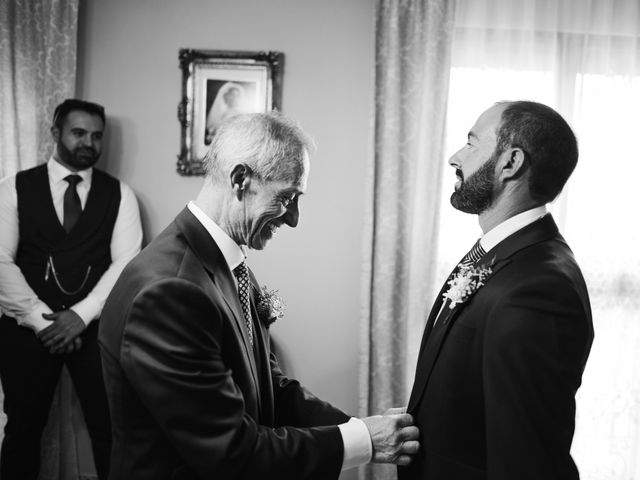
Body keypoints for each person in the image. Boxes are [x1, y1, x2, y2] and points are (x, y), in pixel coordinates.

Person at [99, 111, 419, 480]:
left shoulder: (228, 265)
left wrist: (363, 428)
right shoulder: (170, 292)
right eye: (287, 196)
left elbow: (271, 386)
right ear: (240, 180)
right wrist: (364, 442)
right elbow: (231, 452)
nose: (294, 218)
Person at [399, 101, 594, 480]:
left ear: (511, 162)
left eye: (471, 144)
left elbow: (527, 460)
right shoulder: (501, 253)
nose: (456, 157)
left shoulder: (539, 289)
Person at [0, 99, 143, 480]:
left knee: (110, 429)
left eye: (97, 136)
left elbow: (127, 264)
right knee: (22, 431)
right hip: (26, 330)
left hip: (95, 329)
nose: (89, 143)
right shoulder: (14, 187)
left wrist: (79, 316)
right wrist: (40, 320)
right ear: (56, 133)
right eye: (79, 133)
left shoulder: (121, 195)